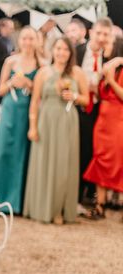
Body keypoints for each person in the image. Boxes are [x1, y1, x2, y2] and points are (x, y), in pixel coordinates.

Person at [24, 37, 89, 224]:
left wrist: (74, 96)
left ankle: (59, 209)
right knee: (44, 163)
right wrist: (32, 127)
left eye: (66, 50)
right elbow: (35, 101)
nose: (61, 53)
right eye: (58, 49)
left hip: (68, 122)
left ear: (71, 53)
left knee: (64, 165)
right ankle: (40, 207)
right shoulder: (43, 73)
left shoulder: (77, 73)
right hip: (46, 121)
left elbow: (87, 100)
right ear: (53, 51)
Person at [0, 26, 40, 215]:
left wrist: (29, 84)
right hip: (9, 110)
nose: (27, 42)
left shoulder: (41, 64)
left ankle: (15, 203)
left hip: (28, 113)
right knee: (2, 153)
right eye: (24, 38)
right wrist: (11, 83)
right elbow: (0, 90)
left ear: (36, 41)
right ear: (19, 40)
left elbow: (40, 93)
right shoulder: (10, 61)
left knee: (21, 155)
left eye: (31, 39)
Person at [76, 17, 115, 204]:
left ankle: (88, 195)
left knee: (91, 153)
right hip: (75, 108)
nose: (101, 38)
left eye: (106, 35)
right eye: (98, 33)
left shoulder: (110, 58)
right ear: (91, 32)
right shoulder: (76, 51)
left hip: (97, 112)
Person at [82, 47, 123, 219]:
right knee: (100, 159)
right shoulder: (106, 68)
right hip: (102, 123)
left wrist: (111, 80)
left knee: (117, 162)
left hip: (118, 122)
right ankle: (100, 205)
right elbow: (101, 94)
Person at [0, 18, 15, 90]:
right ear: (4, 28)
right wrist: (9, 56)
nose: (12, 31)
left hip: (7, 72)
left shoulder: (9, 40)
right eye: (10, 28)